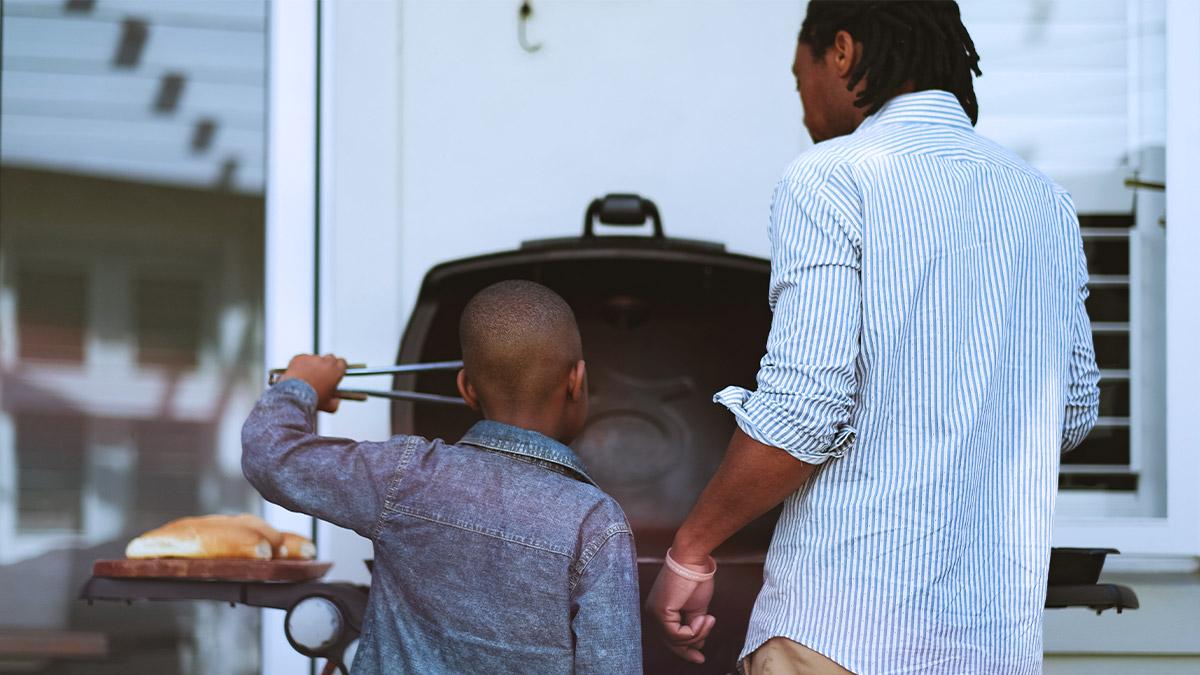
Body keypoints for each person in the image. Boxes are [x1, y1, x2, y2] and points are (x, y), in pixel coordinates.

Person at [645, 2, 1100, 674]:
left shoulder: (831, 177)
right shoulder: (1046, 203)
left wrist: (692, 548)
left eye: (798, 80)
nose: (802, 108)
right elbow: (1073, 411)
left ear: (843, 51)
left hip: (840, 632)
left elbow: (802, 412)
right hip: (990, 641)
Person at [243, 280, 642, 674]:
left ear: (466, 388)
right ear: (577, 381)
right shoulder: (596, 522)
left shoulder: (405, 477)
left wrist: (299, 385)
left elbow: (269, 453)